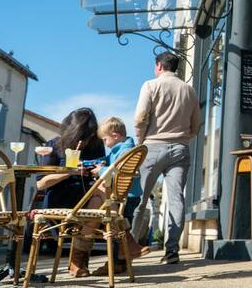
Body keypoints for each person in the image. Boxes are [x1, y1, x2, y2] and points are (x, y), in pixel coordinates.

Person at [131, 51, 201, 265]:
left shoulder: (150, 85)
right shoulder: (189, 90)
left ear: (159, 66)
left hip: (152, 146)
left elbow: (141, 116)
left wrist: (139, 141)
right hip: (180, 147)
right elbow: (196, 125)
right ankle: (172, 251)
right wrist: (182, 137)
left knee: (142, 199)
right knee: (176, 199)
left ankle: (131, 245)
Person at [36, 107, 105, 277]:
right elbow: (41, 184)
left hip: (87, 197)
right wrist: (70, 171)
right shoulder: (54, 145)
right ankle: (78, 261)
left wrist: (99, 170)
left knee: (101, 192)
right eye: (83, 136)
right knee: (98, 199)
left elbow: (101, 173)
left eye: (89, 136)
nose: (86, 140)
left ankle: (78, 259)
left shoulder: (96, 145)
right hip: (61, 198)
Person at [84, 117, 148, 276]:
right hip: (129, 195)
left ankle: (116, 263)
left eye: (105, 139)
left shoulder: (125, 151)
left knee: (114, 231)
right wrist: (86, 163)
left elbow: (115, 173)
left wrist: (99, 171)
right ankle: (120, 262)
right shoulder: (122, 149)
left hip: (125, 196)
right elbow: (106, 161)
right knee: (119, 228)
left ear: (114, 135)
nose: (104, 143)